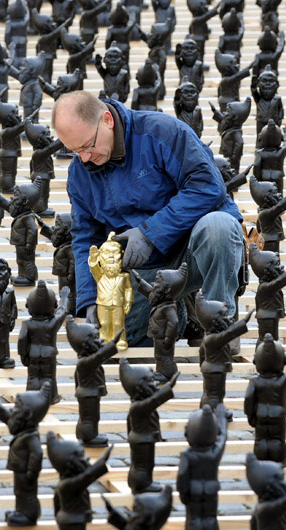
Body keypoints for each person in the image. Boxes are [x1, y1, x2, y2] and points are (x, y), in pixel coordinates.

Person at [52, 90, 245, 347]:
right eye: (75, 151)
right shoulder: (80, 174)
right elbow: (86, 240)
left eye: (88, 145)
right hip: (145, 271)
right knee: (119, 336)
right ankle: (179, 309)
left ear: (107, 120)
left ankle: (221, 326)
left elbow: (208, 187)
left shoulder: (161, 132)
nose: (86, 157)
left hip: (193, 251)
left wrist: (149, 233)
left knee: (220, 227)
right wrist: (88, 302)